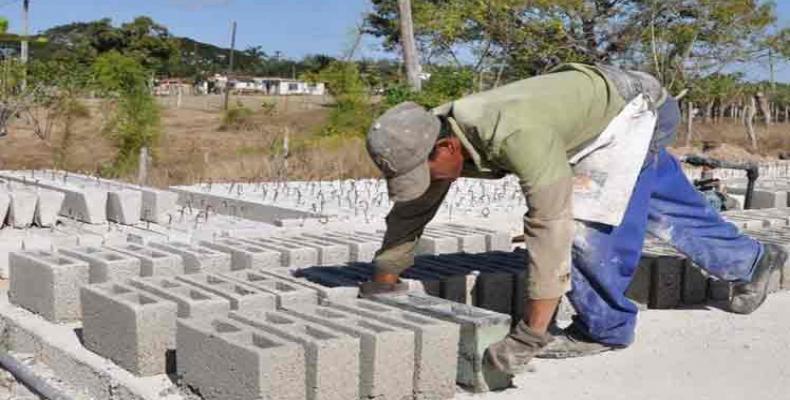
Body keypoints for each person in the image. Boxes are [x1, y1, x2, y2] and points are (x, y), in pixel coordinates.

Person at [362, 63, 787, 375]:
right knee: (658, 203)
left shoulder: (515, 136)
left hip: (636, 111)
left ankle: (604, 328)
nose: (426, 183)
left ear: (448, 148)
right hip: (607, 107)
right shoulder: (431, 132)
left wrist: (530, 335)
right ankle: (752, 261)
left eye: (426, 172)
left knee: (590, 222)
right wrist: (386, 274)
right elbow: (415, 205)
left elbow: (550, 225)